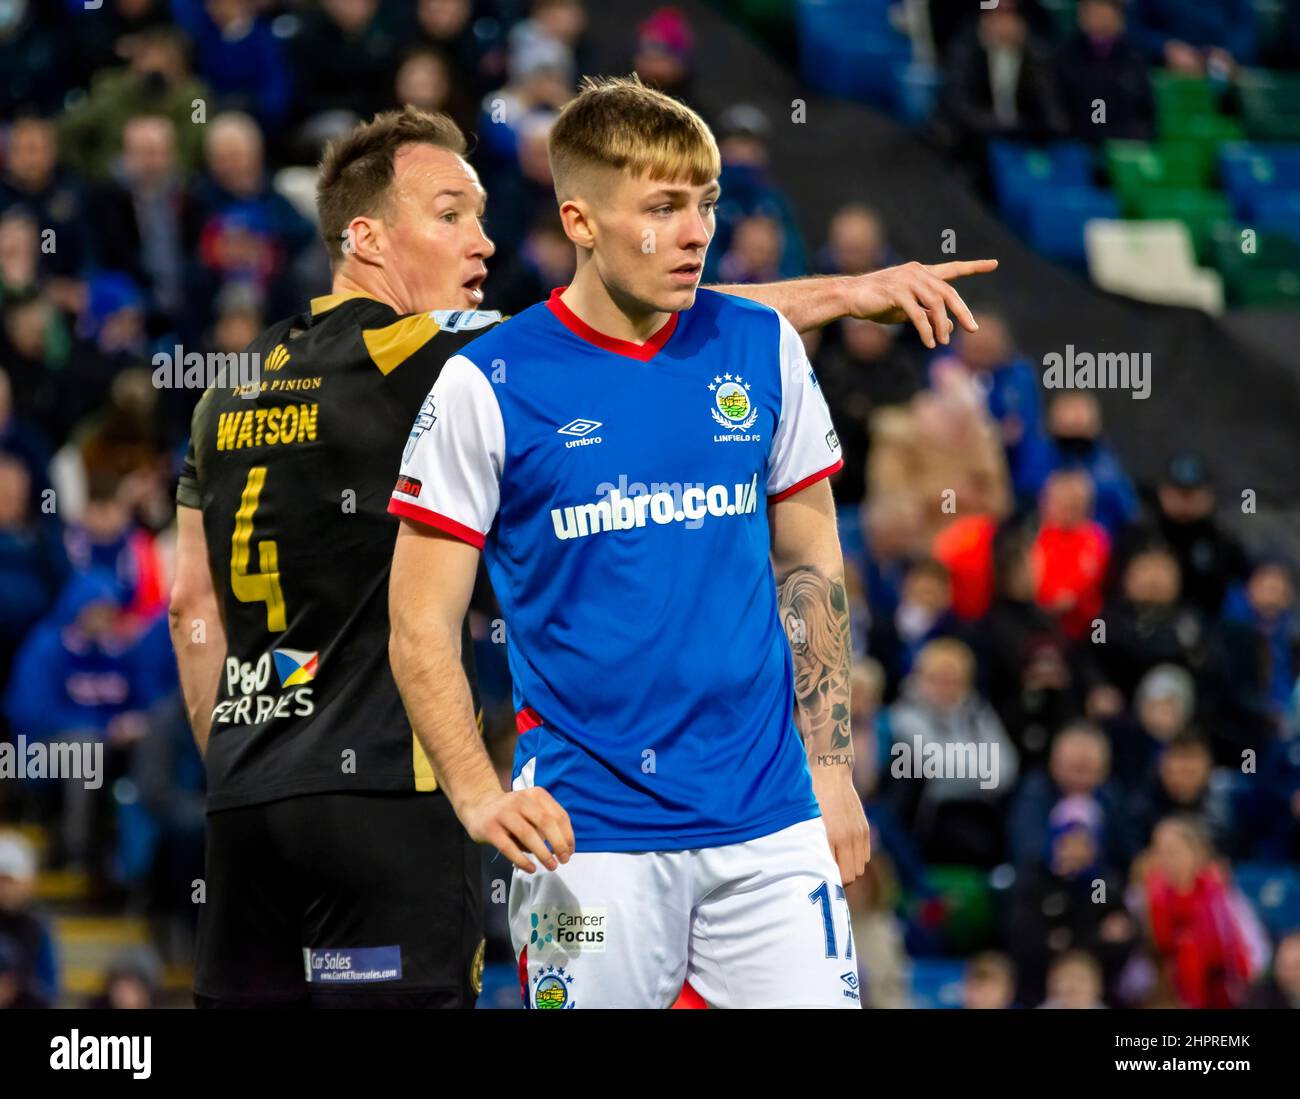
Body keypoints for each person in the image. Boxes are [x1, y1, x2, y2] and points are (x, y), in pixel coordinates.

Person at [171, 99, 998, 1009]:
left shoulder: (229, 388)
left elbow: (189, 607)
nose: (481, 243)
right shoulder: (457, 363)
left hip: (251, 789)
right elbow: (593, 331)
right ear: (365, 237)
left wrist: (234, 749)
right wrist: (841, 293)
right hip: (438, 806)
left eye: (708, 204)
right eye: (451, 217)